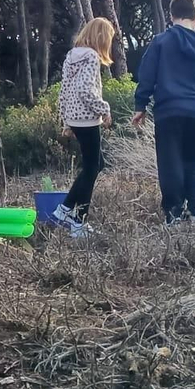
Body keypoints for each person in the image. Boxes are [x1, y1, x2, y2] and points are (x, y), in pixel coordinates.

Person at [131, 0, 195, 225]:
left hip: (168, 113)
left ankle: (174, 213)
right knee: (194, 163)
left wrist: (141, 105)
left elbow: (147, 75)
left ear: (170, 16)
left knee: (170, 163)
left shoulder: (160, 42)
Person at [56, 17, 117, 238]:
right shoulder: (91, 57)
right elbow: (85, 90)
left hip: (74, 118)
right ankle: (76, 220)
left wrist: (66, 121)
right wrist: (105, 109)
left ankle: (66, 211)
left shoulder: (71, 56)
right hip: (88, 119)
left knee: (95, 164)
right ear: (102, 37)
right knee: (93, 167)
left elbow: (63, 92)